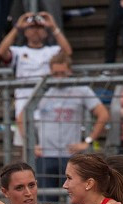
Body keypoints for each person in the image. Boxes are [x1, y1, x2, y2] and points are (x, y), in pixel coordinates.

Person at [23, 52, 109, 189]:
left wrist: (87, 141)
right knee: (46, 200)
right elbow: (22, 116)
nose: (58, 78)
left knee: (76, 198)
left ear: (69, 70)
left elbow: (103, 114)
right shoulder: (42, 90)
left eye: (62, 73)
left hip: (71, 154)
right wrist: (30, 143)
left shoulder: (81, 89)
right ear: (50, 72)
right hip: (46, 154)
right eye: (55, 74)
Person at [0, 11, 73, 146]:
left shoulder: (52, 51)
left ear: (45, 32)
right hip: (23, 108)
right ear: (25, 32)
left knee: (49, 146)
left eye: (39, 28)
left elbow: (68, 52)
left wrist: (53, 26)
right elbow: (1, 52)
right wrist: (17, 27)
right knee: (26, 149)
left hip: (48, 107)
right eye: (31, 28)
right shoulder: (17, 51)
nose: (35, 31)